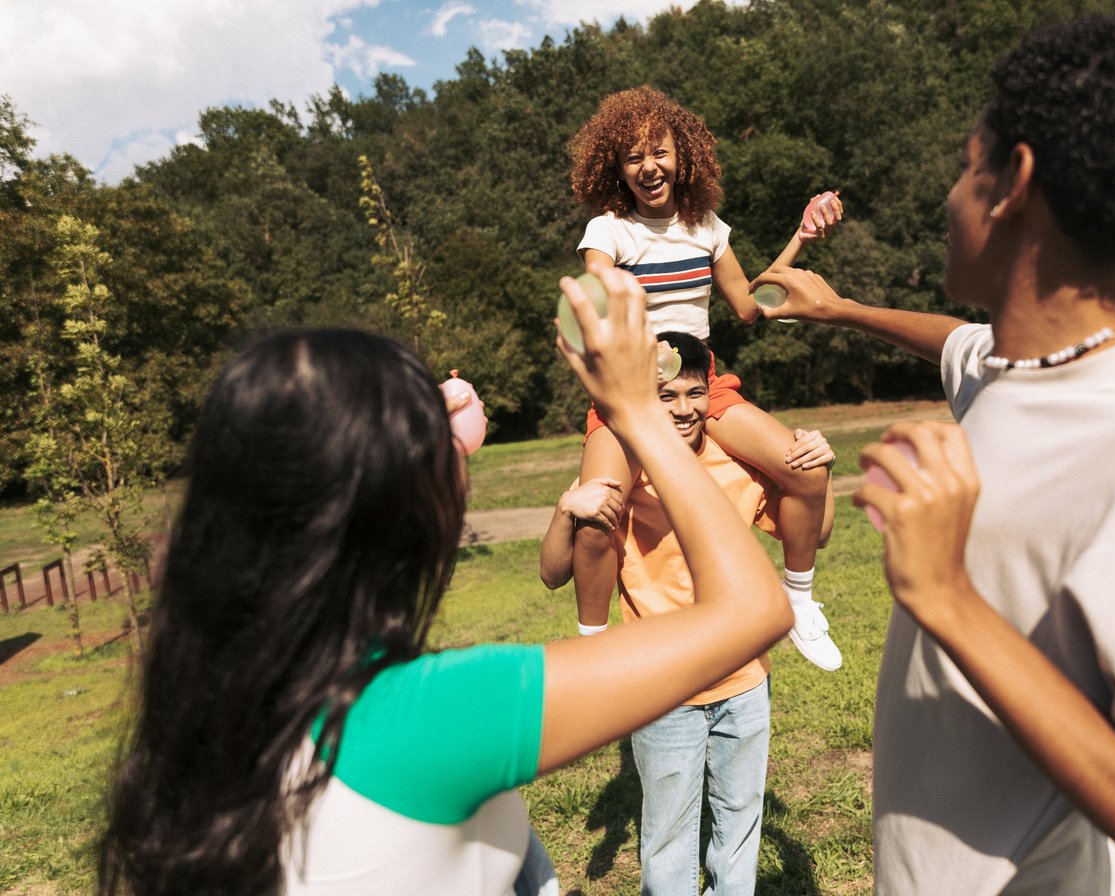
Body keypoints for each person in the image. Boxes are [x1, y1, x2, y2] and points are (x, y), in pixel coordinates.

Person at [753, 14, 1115, 896]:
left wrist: (949, 600)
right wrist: (842, 309)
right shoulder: (1021, 370)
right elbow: (958, 346)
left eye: (968, 168)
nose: (950, 197)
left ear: (1013, 183)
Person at [97, 268, 795, 896]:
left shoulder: (206, 712)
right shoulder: (427, 716)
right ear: (403, 515)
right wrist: (637, 413)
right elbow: (754, 609)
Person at [540, 331, 835, 896]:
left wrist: (822, 466)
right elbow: (554, 572)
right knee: (669, 833)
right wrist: (564, 509)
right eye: (666, 396)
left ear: (712, 395)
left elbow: (815, 533)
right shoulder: (620, 474)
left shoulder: (739, 462)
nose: (682, 409)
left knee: (740, 820)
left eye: (694, 394)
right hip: (663, 688)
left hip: (745, 681)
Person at [566, 85, 844, 671]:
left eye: (659, 152)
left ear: (681, 156)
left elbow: (748, 305)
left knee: (809, 469)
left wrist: (801, 238)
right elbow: (596, 289)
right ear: (616, 169)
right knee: (595, 519)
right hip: (629, 394)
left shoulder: (709, 229)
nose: (649, 167)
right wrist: (611, 314)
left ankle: (799, 600)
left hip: (702, 383)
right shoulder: (609, 232)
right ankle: (591, 654)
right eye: (633, 157)